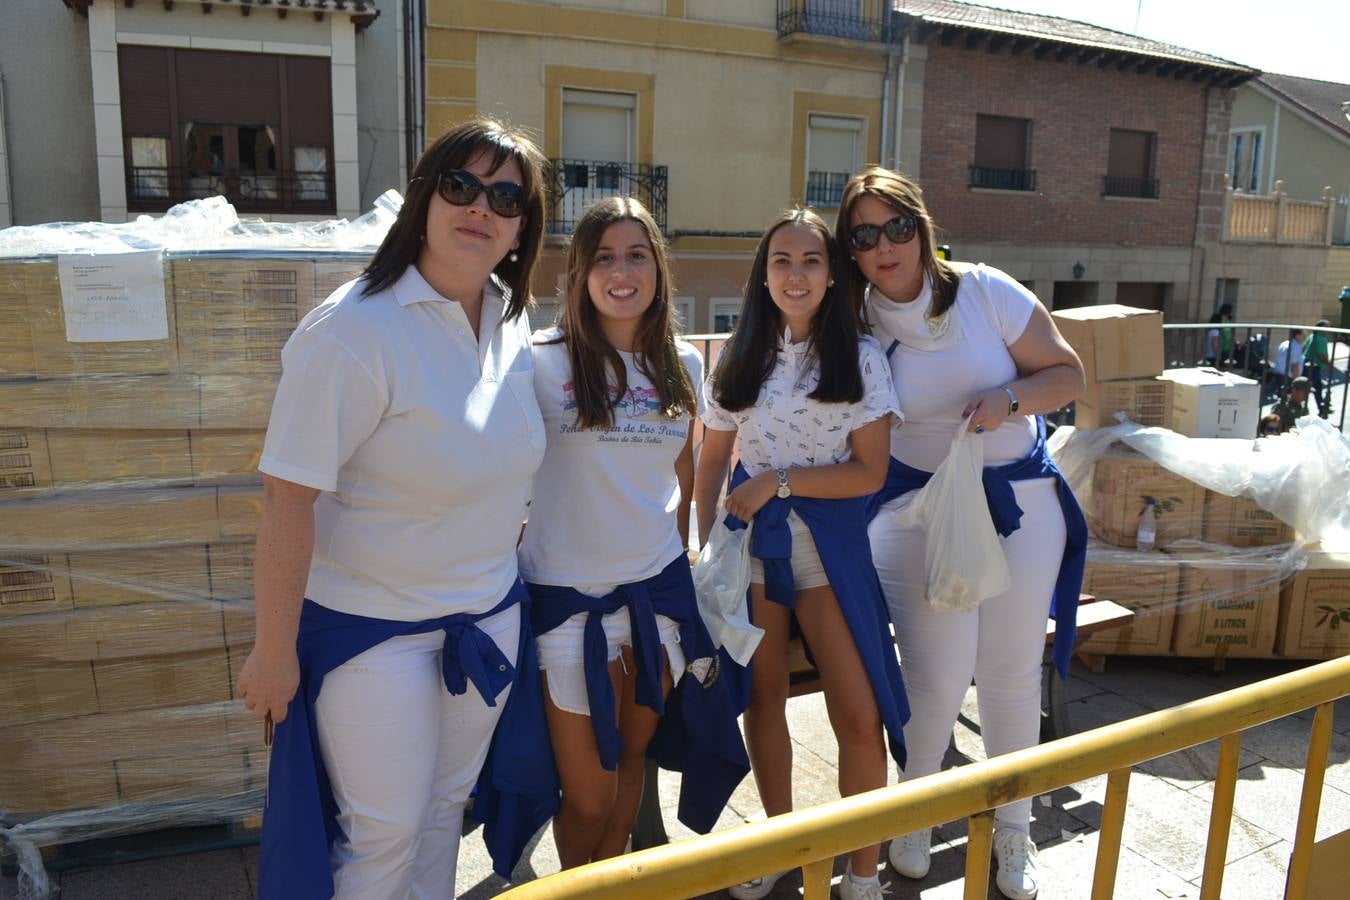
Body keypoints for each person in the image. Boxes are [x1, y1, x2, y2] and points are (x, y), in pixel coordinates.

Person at [235, 117, 551, 900]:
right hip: (375, 633)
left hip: (485, 619)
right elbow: (286, 498)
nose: (481, 206)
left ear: (521, 229)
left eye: (505, 196)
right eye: (461, 186)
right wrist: (273, 650)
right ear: (426, 198)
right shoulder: (352, 331)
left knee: (445, 813)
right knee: (383, 834)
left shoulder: (513, 319)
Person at [837, 166, 1087, 900]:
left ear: (923, 228)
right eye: (864, 234)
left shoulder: (984, 290)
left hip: (1017, 504)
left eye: (897, 227)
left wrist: (1009, 397)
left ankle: (1015, 832)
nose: (884, 246)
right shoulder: (852, 322)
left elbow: (1067, 375)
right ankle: (917, 812)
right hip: (913, 513)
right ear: (850, 249)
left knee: (1011, 675)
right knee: (936, 681)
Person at [518, 196, 748, 868]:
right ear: (580, 274)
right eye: (604, 258)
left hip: (657, 604)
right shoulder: (537, 363)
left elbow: (679, 477)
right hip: (566, 607)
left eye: (637, 254)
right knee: (587, 795)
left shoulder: (685, 364)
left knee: (632, 768)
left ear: (658, 267)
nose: (622, 272)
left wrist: (687, 557)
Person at [694, 208, 910, 900]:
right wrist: (707, 550)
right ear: (763, 273)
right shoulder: (737, 356)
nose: (796, 273)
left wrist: (778, 481)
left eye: (811, 260)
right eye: (782, 260)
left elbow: (870, 472)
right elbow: (711, 459)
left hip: (827, 552)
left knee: (857, 710)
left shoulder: (860, 358)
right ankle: (779, 840)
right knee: (763, 700)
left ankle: (864, 869)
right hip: (753, 551)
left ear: (830, 273)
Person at [1303, 320, 1333, 418]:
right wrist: (1329, 364)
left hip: (1308, 365)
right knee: (1307, 388)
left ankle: (1322, 409)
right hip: (1314, 367)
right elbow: (1322, 355)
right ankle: (1302, 409)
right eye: (1327, 327)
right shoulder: (1321, 338)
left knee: (1317, 388)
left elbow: (1303, 349)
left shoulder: (1311, 336)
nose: (1328, 330)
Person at [1271, 328, 1305, 398]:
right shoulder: (1296, 346)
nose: (1304, 336)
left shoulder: (1284, 343)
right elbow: (1294, 366)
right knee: (1288, 401)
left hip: (1279, 376)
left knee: (1281, 399)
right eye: (1303, 334)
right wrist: (1297, 382)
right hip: (1288, 379)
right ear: (1297, 335)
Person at [1204, 303, 1233, 368]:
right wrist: (1218, 355)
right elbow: (1215, 344)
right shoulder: (1215, 331)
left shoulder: (1211, 331)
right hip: (1215, 355)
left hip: (1209, 354)